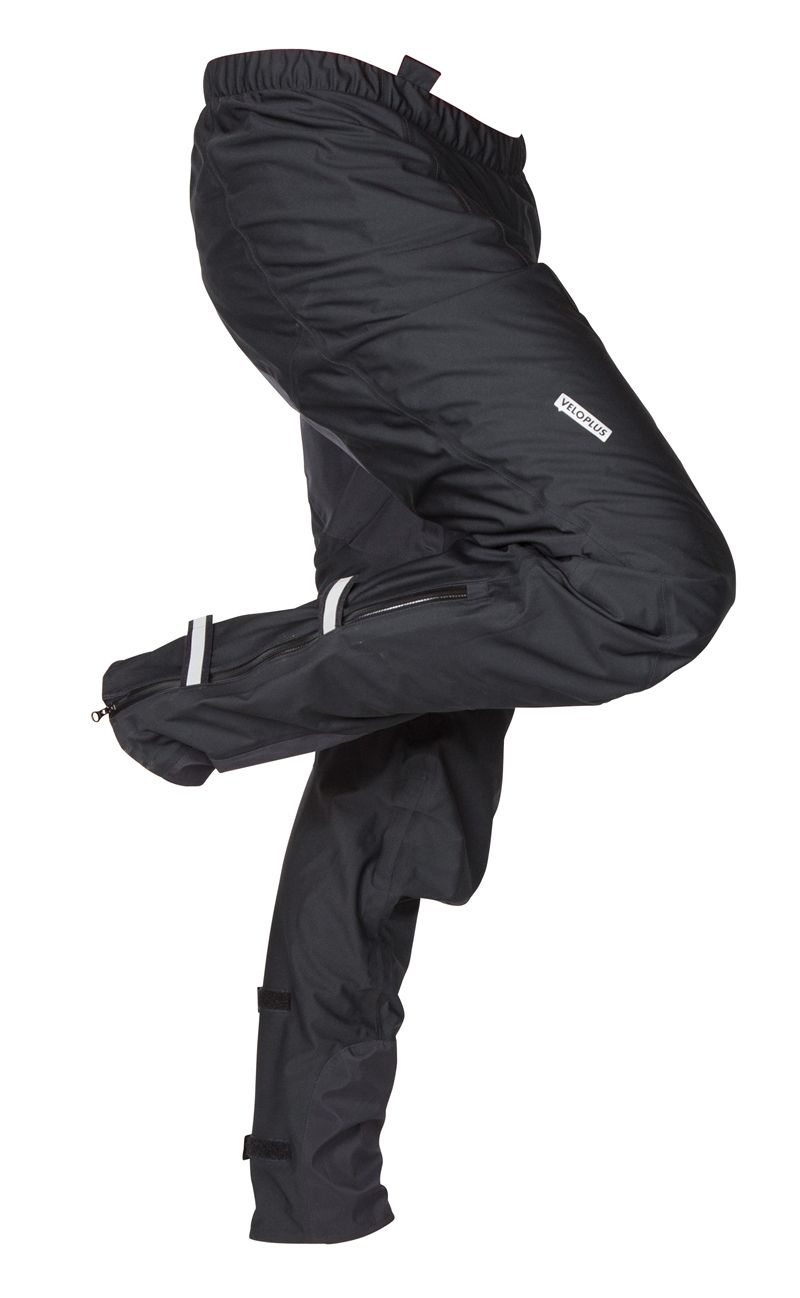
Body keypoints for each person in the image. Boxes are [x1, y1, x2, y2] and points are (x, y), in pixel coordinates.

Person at [94, 49, 735, 1244]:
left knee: (410, 750)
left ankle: (315, 1187)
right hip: (344, 164)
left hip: (427, 192)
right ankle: (175, 699)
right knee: (645, 586)